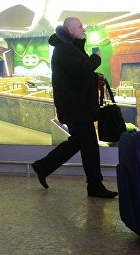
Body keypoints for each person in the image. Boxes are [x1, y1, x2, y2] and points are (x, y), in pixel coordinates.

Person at [31, 17, 118, 198]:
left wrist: (94, 77)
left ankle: (43, 166)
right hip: (75, 108)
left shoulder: (69, 48)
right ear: (71, 30)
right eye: (80, 26)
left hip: (77, 106)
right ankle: (94, 185)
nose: (83, 28)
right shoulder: (64, 50)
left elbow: (77, 75)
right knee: (89, 146)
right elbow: (81, 70)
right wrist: (96, 59)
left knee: (79, 143)